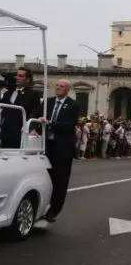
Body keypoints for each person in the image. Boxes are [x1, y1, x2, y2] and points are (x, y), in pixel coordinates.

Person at [39, 79, 79, 223]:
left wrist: (51, 123)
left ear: (67, 90)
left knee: (60, 180)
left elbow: (69, 126)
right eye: (57, 86)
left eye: (62, 86)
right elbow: (38, 118)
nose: (58, 88)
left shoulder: (73, 105)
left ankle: (54, 210)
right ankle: (42, 206)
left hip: (62, 148)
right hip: (46, 146)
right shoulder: (47, 102)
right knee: (44, 177)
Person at [0, 67, 41, 148]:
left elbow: (35, 113)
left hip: (20, 134)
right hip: (6, 133)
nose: (17, 78)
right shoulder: (8, 93)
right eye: (17, 75)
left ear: (28, 79)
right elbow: (0, 108)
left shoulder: (33, 94)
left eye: (21, 76)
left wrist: (32, 128)